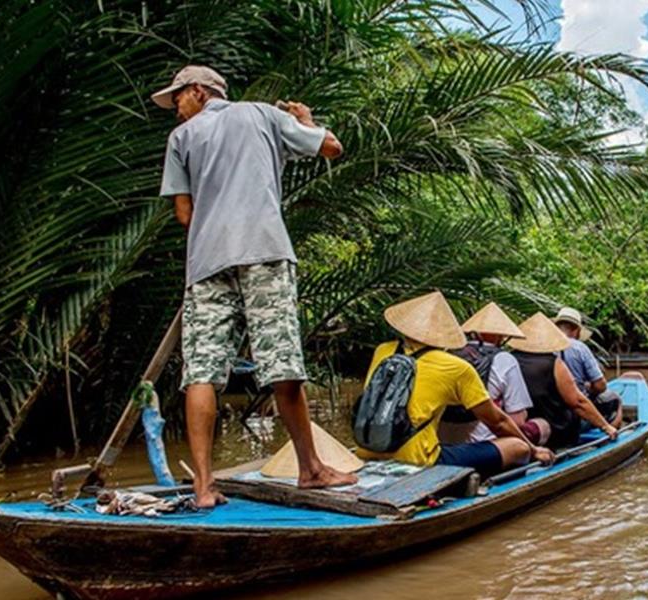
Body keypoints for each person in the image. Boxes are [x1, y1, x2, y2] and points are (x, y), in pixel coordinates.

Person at [153, 65, 355, 506]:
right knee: (281, 360)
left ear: (200, 92)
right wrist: (304, 119)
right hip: (263, 249)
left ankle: (204, 487)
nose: (176, 110)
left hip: (206, 261)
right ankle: (312, 469)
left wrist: (215, 230)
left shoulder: (181, 140)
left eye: (178, 99)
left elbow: (184, 216)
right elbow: (331, 147)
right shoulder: (262, 114)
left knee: (201, 371)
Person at [357, 292, 554, 476]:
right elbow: (498, 422)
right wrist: (534, 449)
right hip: (420, 460)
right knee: (518, 447)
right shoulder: (455, 367)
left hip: (367, 448)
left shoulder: (383, 351)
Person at [438, 302, 551, 446]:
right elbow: (517, 419)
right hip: (484, 443)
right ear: (500, 335)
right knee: (542, 425)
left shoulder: (448, 353)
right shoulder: (504, 359)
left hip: (442, 441)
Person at [509, 313, 618, 449]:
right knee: (613, 403)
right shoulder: (553, 363)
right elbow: (577, 402)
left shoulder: (509, 359)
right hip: (558, 429)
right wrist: (605, 426)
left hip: (524, 425)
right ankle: (612, 440)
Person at [553, 307, 623, 428]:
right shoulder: (579, 348)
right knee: (616, 399)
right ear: (577, 330)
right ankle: (612, 432)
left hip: (550, 407)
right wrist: (589, 388)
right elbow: (600, 385)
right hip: (575, 410)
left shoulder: (542, 346)